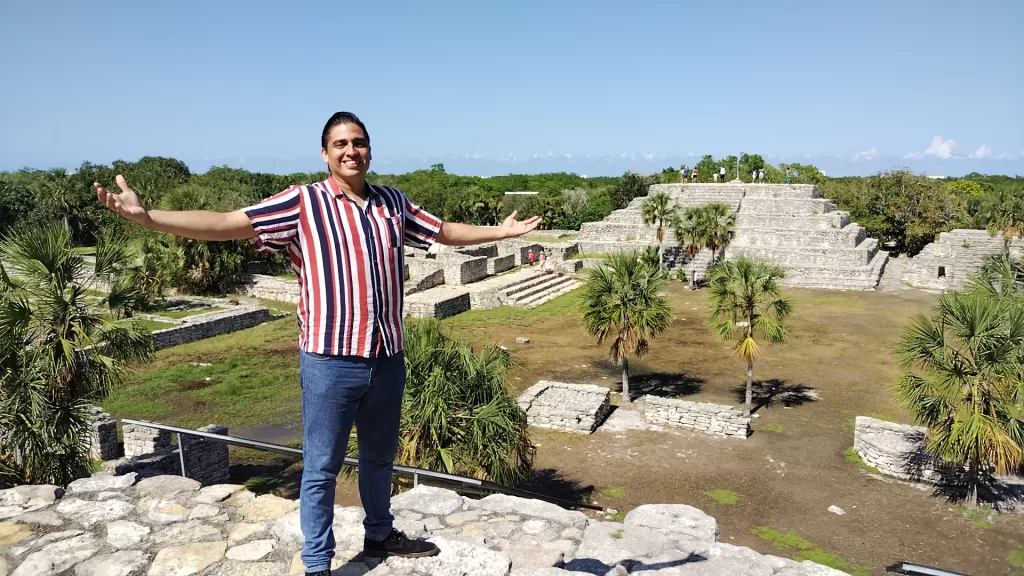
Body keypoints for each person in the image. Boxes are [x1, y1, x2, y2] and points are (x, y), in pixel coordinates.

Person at [93, 111, 541, 576]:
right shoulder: (303, 203)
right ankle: (317, 562)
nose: (352, 151)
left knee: (379, 458)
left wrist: (502, 232)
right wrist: (149, 219)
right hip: (330, 361)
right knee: (322, 468)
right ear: (325, 153)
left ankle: (379, 534)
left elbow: (443, 231)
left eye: (360, 142)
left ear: (370, 149)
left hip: (388, 358)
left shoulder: (392, 202)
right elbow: (228, 222)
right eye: (341, 143)